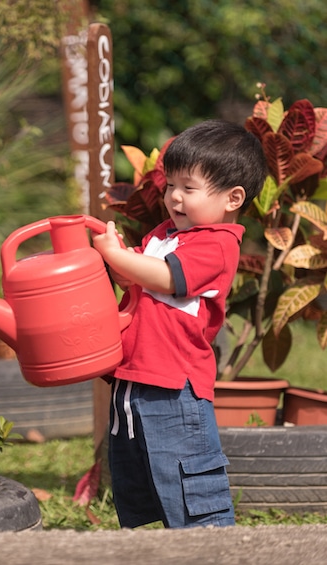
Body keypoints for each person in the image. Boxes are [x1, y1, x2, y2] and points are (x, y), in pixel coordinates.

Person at [92, 119, 267, 529]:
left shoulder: (218, 243)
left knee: (191, 493)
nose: (174, 197)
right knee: (140, 490)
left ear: (232, 197)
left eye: (189, 188)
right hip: (132, 381)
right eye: (170, 185)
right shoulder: (164, 234)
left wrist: (120, 259)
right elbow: (132, 276)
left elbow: (168, 278)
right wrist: (115, 257)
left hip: (175, 390)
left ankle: (211, 552)